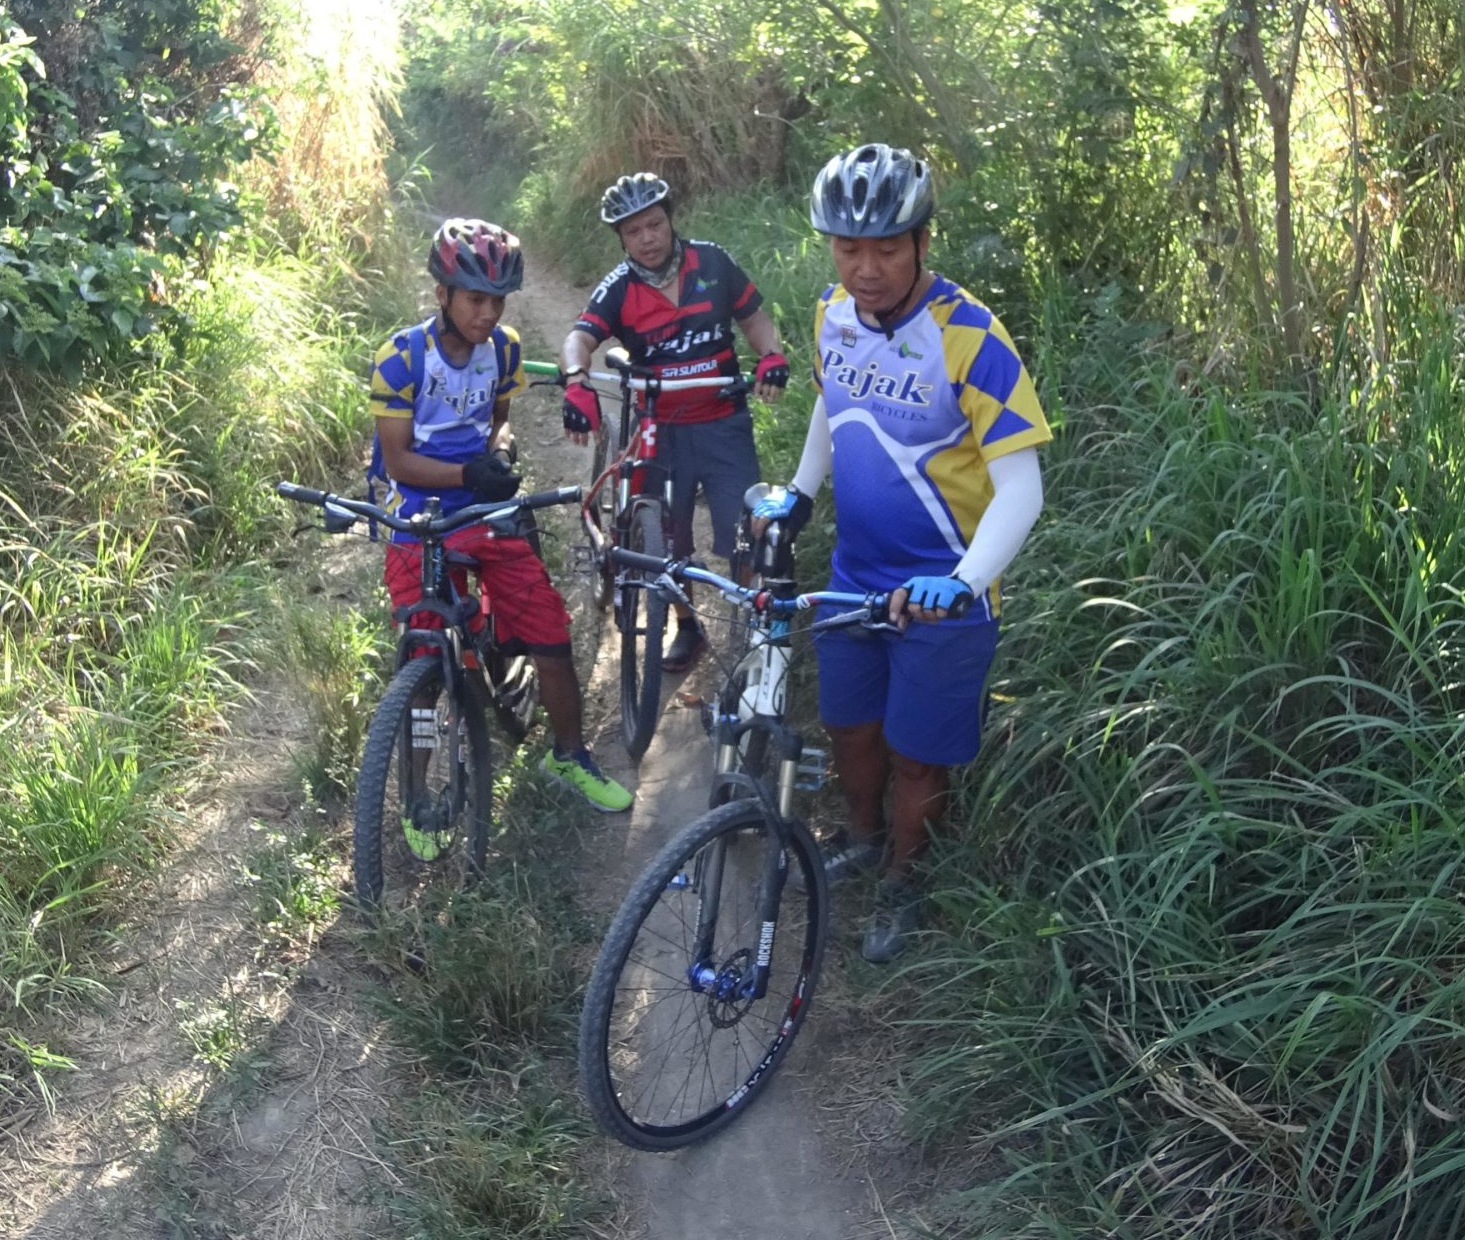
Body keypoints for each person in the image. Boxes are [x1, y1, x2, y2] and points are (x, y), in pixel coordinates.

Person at [751, 144, 1050, 962]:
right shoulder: (831, 313)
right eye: (849, 248)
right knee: (850, 729)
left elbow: (1022, 487)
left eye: (886, 247)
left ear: (923, 241)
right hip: (857, 575)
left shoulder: (971, 338)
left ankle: (904, 878)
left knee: (918, 753)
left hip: (944, 589)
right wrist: (801, 495)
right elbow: (832, 408)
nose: (867, 268)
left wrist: (964, 582)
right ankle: (859, 834)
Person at [368, 219, 633, 841]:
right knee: (424, 648)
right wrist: (468, 471)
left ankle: (568, 755)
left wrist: (499, 453)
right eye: (474, 299)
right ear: (442, 293)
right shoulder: (403, 359)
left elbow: (499, 422)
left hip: (483, 511)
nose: (488, 313)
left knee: (547, 629)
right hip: (419, 516)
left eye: (497, 300)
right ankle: (418, 792)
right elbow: (400, 459)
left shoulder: (506, 350)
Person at [560, 172, 793, 673]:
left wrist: (771, 354)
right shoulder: (618, 288)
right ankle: (688, 625)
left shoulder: (712, 262)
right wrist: (577, 380)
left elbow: (754, 318)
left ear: (670, 220)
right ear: (621, 239)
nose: (647, 239)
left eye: (654, 225)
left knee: (745, 530)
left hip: (722, 418)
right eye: (633, 232)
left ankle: (751, 625)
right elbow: (578, 339)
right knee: (671, 539)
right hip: (658, 427)